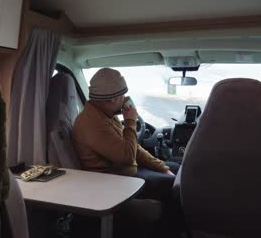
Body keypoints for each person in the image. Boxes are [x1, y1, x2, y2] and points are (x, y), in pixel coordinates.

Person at [72, 67, 180, 201]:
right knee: (169, 184)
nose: (125, 99)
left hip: (126, 172)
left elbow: (135, 149)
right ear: (112, 99)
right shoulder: (91, 124)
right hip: (113, 182)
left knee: (176, 167)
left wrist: (163, 168)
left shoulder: (106, 115)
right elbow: (128, 156)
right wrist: (130, 121)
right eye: (122, 96)